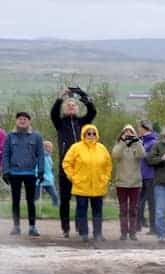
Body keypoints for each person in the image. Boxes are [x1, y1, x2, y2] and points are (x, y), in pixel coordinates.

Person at [50, 87, 97, 238]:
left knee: (81, 199)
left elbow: (92, 111)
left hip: (81, 169)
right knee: (65, 199)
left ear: (77, 108)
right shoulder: (60, 123)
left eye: (74, 105)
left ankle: (79, 225)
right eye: (68, 105)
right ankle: (65, 227)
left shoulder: (83, 122)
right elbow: (53, 113)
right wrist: (61, 97)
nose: (71, 106)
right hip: (65, 168)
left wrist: (82, 95)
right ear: (64, 108)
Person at [62, 124, 112, 243]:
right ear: (83, 134)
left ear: (97, 134)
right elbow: (66, 163)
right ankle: (84, 233)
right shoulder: (76, 147)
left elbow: (108, 165)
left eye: (93, 133)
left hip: (98, 186)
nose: (91, 135)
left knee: (98, 211)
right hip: (81, 186)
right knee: (81, 210)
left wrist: (105, 179)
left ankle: (98, 233)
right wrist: (73, 178)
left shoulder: (102, 148)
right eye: (88, 133)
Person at [1, 111, 46, 237]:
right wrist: (5, 171)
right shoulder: (10, 136)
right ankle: (16, 226)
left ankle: (32, 227)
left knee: (30, 201)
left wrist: (41, 171)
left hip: (30, 173)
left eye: (25, 119)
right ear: (16, 121)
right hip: (14, 173)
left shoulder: (36, 136)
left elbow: (41, 155)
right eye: (20, 119)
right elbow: (5, 154)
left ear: (29, 121)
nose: (22, 121)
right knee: (15, 201)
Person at [111, 125, 145, 241]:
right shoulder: (119, 145)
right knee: (123, 209)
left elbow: (142, 155)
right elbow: (115, 155)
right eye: (126, 132)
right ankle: (124, 232)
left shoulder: (137, 145)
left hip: (135, 183)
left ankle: (133, 233)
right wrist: (123, 142)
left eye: (131, 132)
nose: (128, 134)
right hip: (122, 183)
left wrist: (137, 141)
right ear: (122, 134)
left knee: (134, 209)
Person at [137, 120, 158, 233]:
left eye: (139, 128)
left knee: (151, 202)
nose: (137, 130)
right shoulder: (142, 140)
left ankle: (153, 227)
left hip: (151, 176)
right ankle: (139, 224)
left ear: (144, 128)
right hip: (141, 175)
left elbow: (149, 158)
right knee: (140, 201)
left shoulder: (153, 141)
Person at [36, 140, 60, 207]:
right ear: (44, 148)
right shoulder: (39, 156)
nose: (50, 149)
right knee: (36, 196)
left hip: (48, 180)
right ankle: (30, 207)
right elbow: (36, 167)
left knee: (55, 195)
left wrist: (51, 177)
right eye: (48, 147)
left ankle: (55, 207)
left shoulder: (49, 157)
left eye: (51, 147)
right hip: (39, 180)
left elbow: (50, 169)